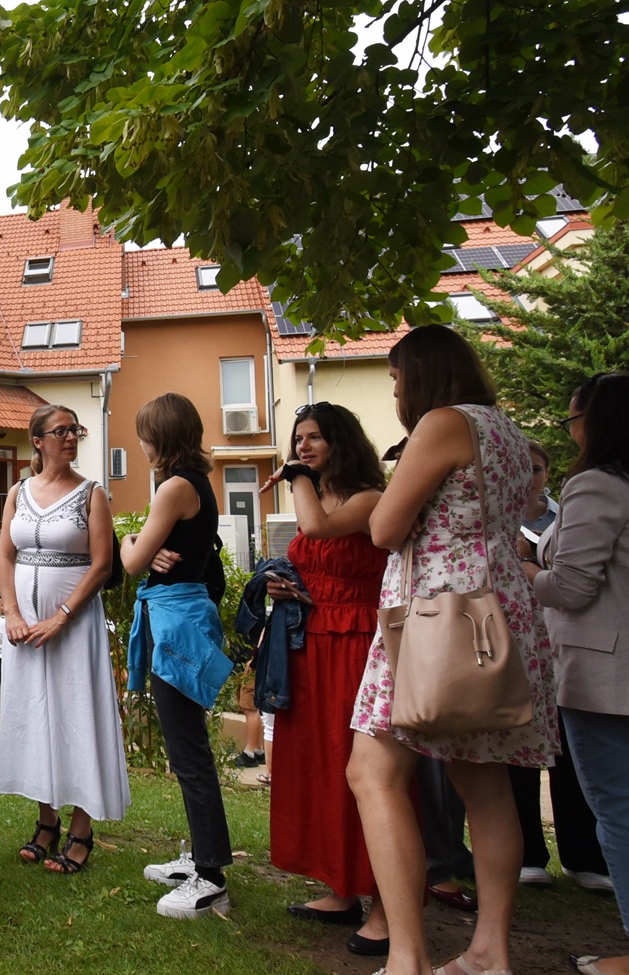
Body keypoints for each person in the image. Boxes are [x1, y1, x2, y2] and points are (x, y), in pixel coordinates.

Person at [348, 325, 558, 975]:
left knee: (372, 772)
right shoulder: (507, 432)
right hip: (496, 615)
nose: (395, 391)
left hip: (434, 620)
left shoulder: (442, 424)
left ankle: (406, 956)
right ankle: (489, 952)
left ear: (422, 373)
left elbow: (384, 528)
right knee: (485, 784)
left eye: (396, 378)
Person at [257, 402, 390, 950]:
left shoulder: (369, 497)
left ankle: (386, 905)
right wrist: (282, 584)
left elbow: (318, 529)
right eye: (297, 439)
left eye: (314, 438)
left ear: (341, 441)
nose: (303, 447)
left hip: (356, 644)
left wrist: (294, 475)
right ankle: (340, 886)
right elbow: (310, 553)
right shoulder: (316, 494)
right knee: (321, 766)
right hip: (309, 642)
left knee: (365, 771)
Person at [0, 404, 130, 875]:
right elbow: (6, 557)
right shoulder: (18, 492)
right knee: (36, 717)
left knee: (77, 715)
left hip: (74, 626)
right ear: (38, 441)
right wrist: (12, 613)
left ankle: (81, 830)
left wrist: (61, 617)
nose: (71, 437)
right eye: (61, 431)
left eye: (75, 430)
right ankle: (46, 821)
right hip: (24, 629)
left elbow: (103, 565)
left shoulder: (92, 494)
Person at [527, 372, 629, 975]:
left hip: (604, 676)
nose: (571, 432)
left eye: (572, 419)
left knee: (616, 811)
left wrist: (520, 573)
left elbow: (570, 587)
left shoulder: (597, 485)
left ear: (597, 421)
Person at [119, 392, 235, 919]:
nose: (141, 445)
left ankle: (210, 877)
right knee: (186, 746)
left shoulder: (173, 488)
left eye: (145, 435)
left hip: (176, 625)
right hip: (183, 614)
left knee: (188, 751)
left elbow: (132, 562)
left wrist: (130, 540)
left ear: (160, 438)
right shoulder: (196, 482)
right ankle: (201, 860)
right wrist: (144, 544)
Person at [511, 437, 608, 890]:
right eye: (522, 468)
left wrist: (527, 562)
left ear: (547, 473)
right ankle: (529, 853)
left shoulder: (566, 512)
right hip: (517, 642)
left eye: (536, 468)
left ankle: (582, 855)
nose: (530, 477)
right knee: (519, 747)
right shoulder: (495, 517)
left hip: (562, 643)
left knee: (569, 752)